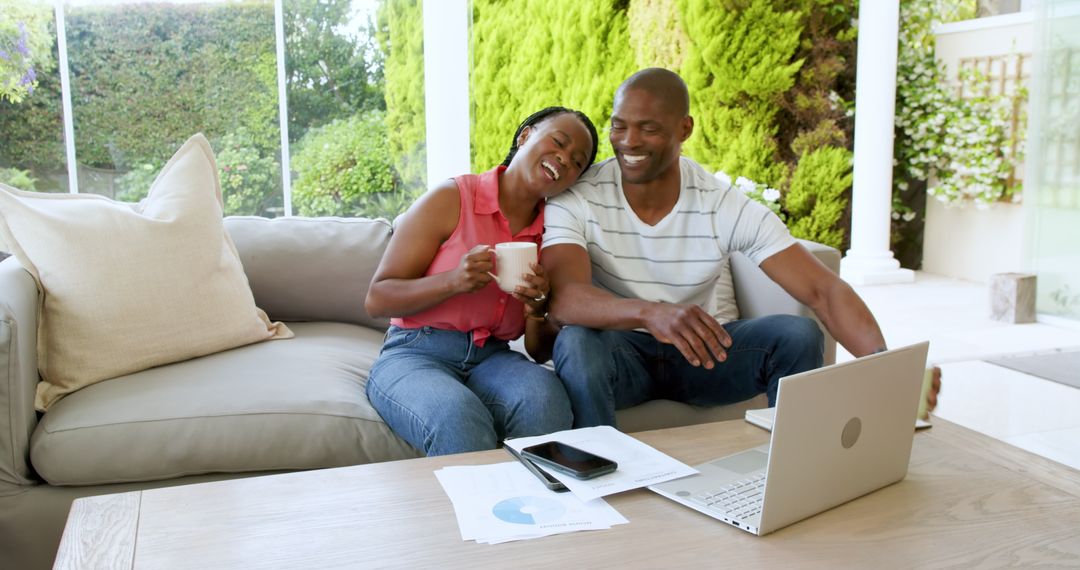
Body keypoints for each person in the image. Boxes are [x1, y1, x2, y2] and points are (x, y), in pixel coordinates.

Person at [541, 68, 941, 428]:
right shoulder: (580, 196)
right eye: (619, 126)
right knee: (576, 341)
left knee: (797, 333)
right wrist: (651, 313)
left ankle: (796, 465)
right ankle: (596, 472)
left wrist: (887, 370)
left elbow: (824, 291)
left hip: (702, 356)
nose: (629, 141)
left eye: (648, 128)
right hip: (620, 354)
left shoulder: (720, 203)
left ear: (684, 129)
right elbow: (566, 300)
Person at [364, 106, 600, 455]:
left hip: (493, 357)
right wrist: (453, 281)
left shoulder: (553, 233)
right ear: (525, 136)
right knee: (458, 415)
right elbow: (377, 299)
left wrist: (536, 310)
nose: (564, 159)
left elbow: (538, 352)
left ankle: (535, 509)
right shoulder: (453, 198)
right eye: (558, 142)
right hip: (416, 352)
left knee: (545, 399)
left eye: (577, 161)